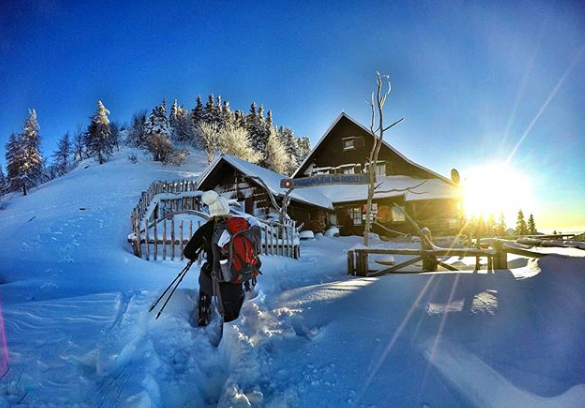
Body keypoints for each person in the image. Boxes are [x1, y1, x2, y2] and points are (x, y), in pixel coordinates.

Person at [183, 190, 258, 327]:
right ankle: (232, 331)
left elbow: (188, 251)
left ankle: (203, 315)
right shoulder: (239, 226)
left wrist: (195, 255)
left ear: (211, 211)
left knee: (204, 278)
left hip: (214, 278)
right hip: (237, 276)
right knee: (232, 309)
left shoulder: (206, 229)